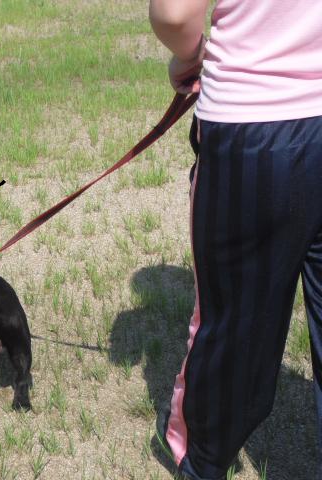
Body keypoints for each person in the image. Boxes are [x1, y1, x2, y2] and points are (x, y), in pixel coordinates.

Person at [148, 1, 322, 479]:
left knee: (234, 323)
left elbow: (174, 13)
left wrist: (188, 58)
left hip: (256, 125)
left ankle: (202, 461)